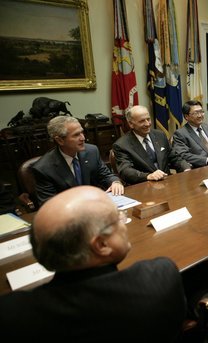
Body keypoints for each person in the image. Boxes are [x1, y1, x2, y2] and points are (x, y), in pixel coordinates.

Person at [0, 186, 187, 342]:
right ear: (101, 245)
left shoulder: (11, 316)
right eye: (119, 218)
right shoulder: (159, 278)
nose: (124, 223)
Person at [32, 116, 123, 206]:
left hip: (94, 206)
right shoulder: (43, 168)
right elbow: (49, 204)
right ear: (60, 140)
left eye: (82, 132)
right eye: (76, 135)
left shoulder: (91, 151)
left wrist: (115, 182)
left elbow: (105, 175)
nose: (83, 138)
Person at [112, 105, 190, 185]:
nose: (147, 124)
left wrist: (185, 167)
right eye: (142, 121)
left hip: (167, 183)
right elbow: (126, 171)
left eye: (148, 119)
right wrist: (148, 176)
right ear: (131, 124)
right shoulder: (122, 145)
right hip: (143, 186)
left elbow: (174, 157)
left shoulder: (160, 135)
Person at [172, 100, 208, 168]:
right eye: (196, 113)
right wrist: (206, 160)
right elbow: (183, 155)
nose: (200, 115)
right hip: (203, 167)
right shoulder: (180, 134)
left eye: (201, 112)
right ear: (186, 116)